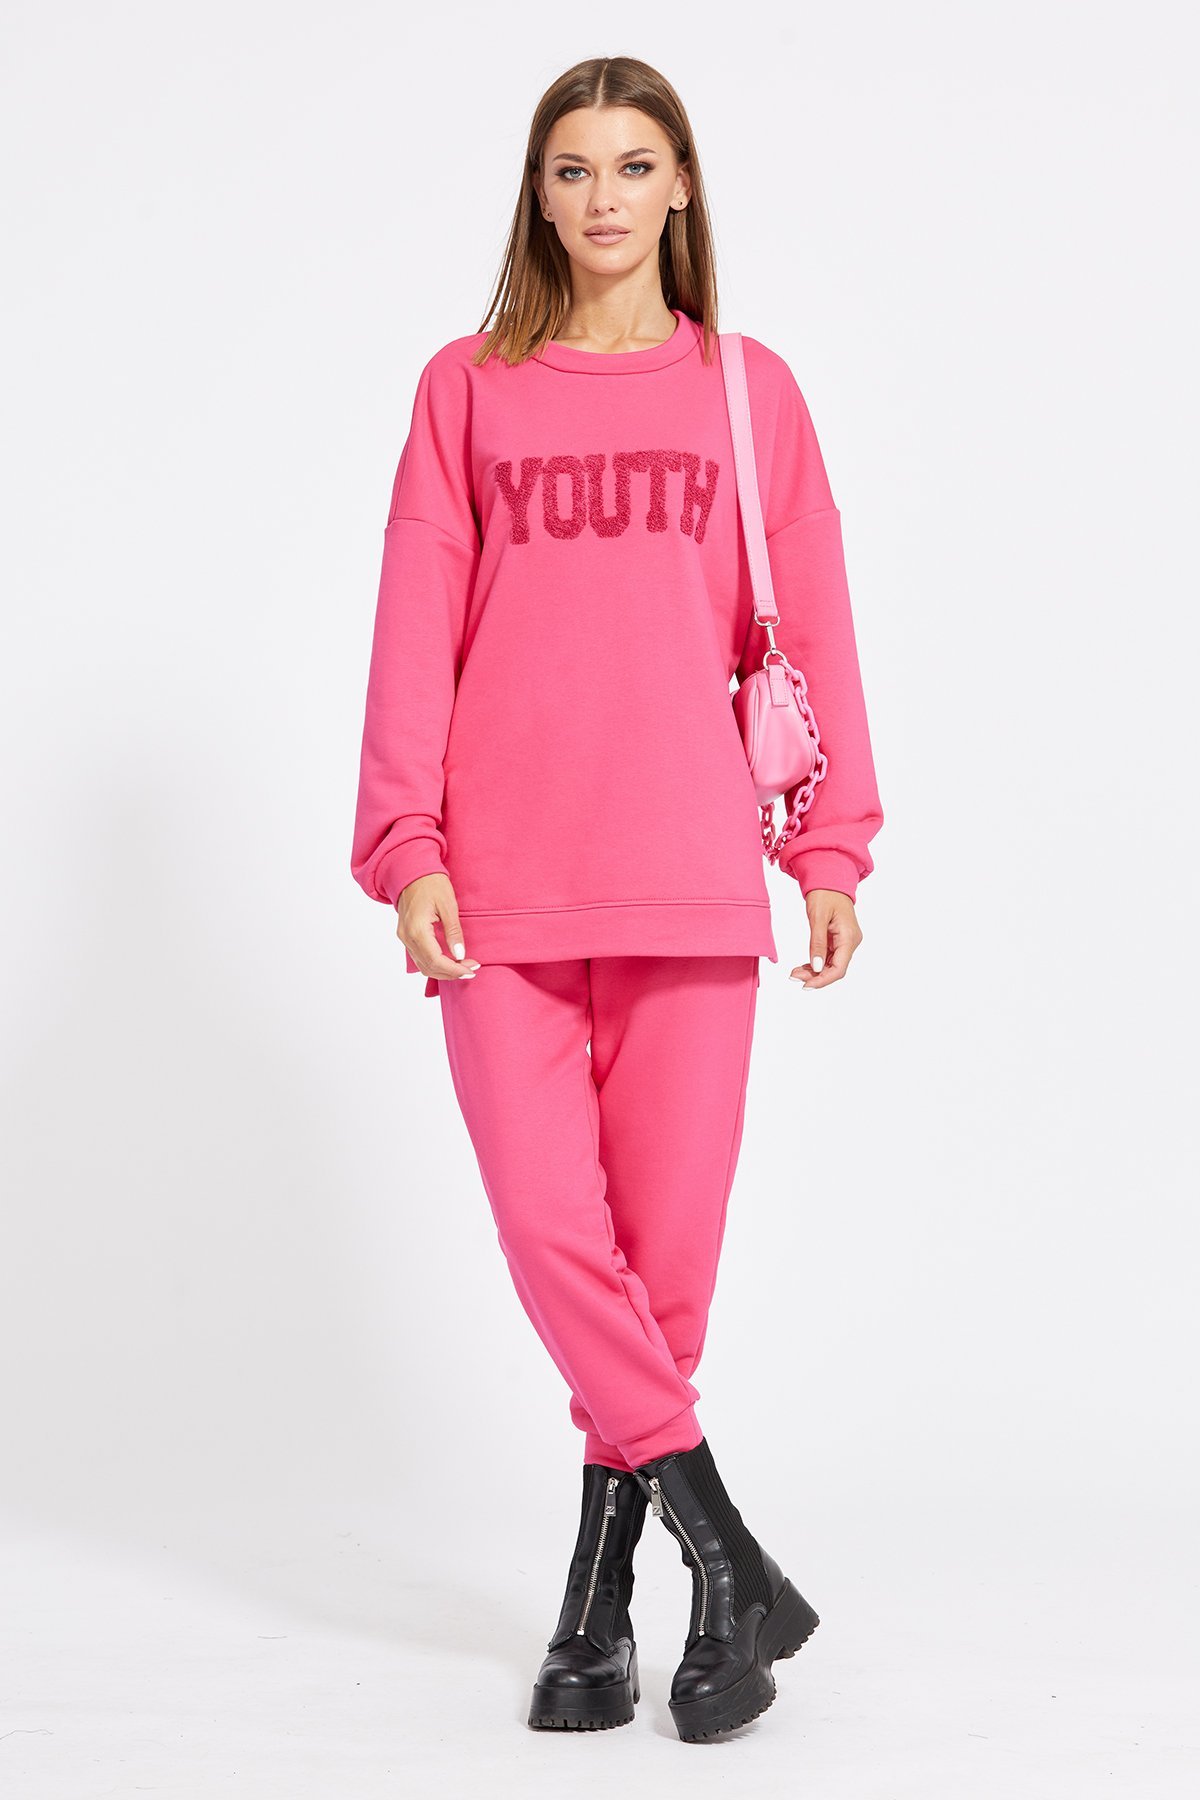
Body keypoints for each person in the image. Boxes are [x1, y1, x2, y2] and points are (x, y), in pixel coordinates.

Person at [349, 55, 884, 1743]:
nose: (602, 197)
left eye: (633, 165)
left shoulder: (748, 391)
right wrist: (408, 844)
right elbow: (413, 622)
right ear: (538, 191)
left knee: (663, 1273)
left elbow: (810, 621)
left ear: (681, 187)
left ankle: (600, 1606)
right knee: (550, 1236)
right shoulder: (466, 391)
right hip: (502, 887)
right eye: (573, 168)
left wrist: (829, 847)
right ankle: (730, 1559)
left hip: (689, 880)